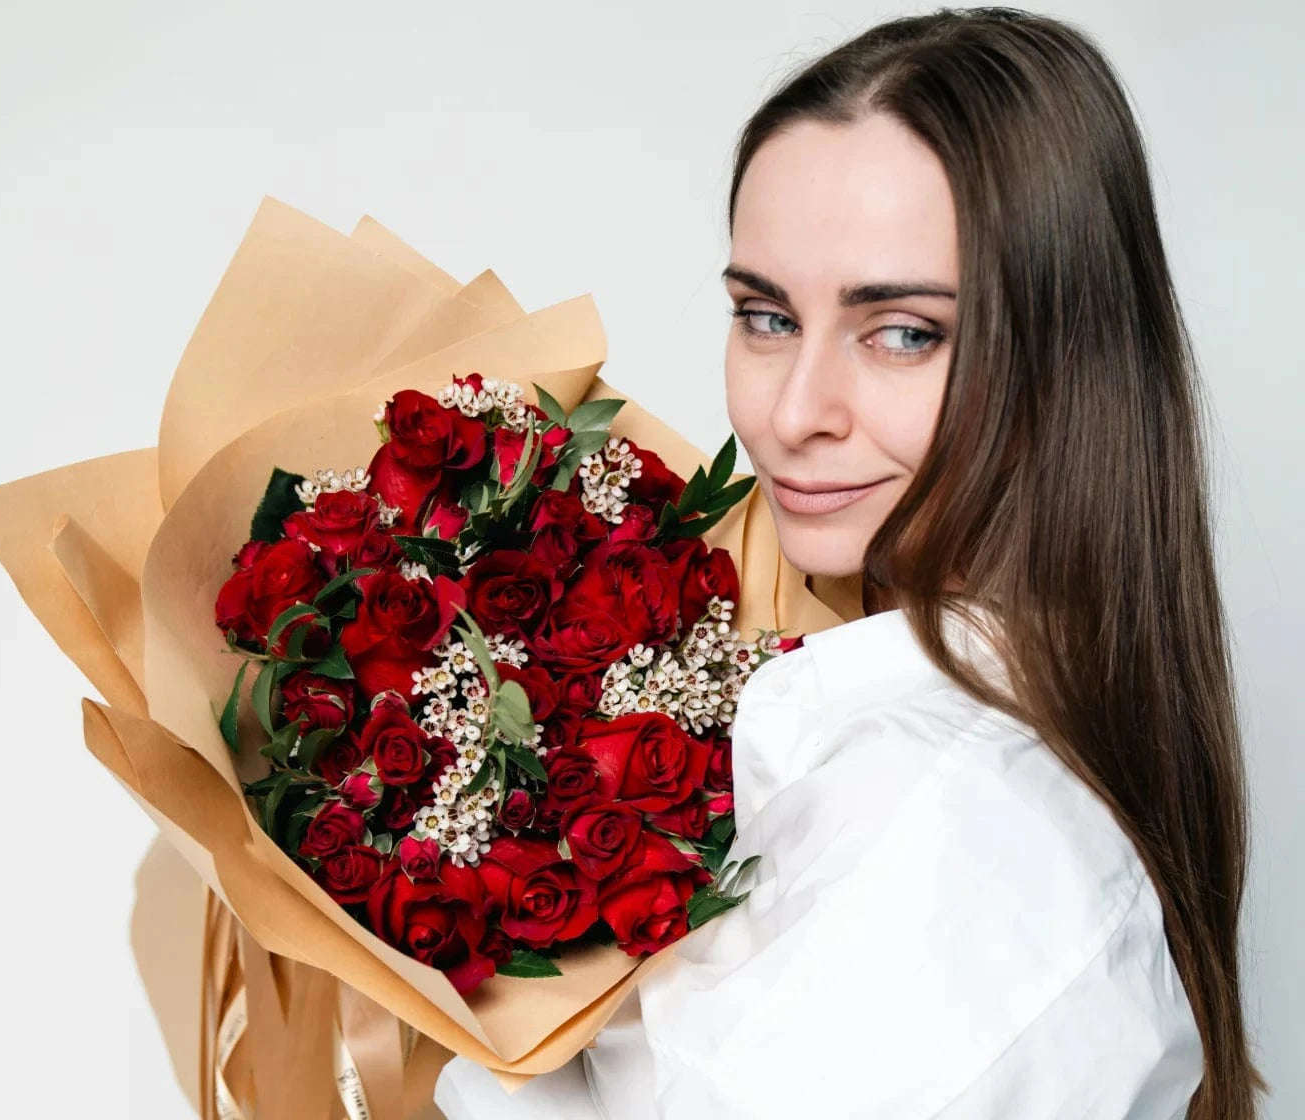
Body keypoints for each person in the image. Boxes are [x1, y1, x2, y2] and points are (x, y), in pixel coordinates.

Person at [434, 7, 1267, 1118]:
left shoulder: (953, 837)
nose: (789, 414)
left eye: (902, 331)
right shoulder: (891, 734)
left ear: (1066, 362)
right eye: (765, 316)